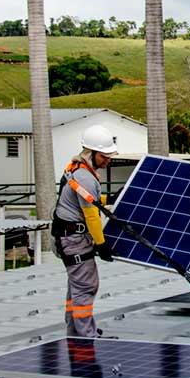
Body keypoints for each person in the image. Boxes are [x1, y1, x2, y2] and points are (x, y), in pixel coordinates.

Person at [51, 124, 119, 338]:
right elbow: (91, 215)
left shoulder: (76, 168)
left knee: (77, 286)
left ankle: (75, 331)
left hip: (65, 236)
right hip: (74, 238)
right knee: (85, 286)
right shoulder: (86, 177)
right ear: (91, 153)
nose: (108, 160)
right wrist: (101, 244)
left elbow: (84, 199)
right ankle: (85, 336)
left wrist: (110, 199)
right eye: (104, 156)